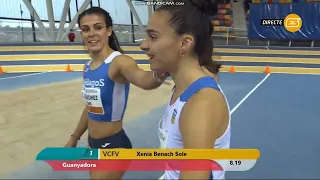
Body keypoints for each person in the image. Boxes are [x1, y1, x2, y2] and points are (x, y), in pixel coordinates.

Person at [64, 7, 169, 180]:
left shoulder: (119, 62)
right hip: (93, 144)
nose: (91, 33)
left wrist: (159, 73)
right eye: (85, 29)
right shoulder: (88, 67)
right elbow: (90, 108)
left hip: (114, 146)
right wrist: (75, 137)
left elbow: (143, 79)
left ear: (109, 31)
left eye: (98, 27)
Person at [140, 0, 231, 179]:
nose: (143, 45)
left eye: (153, 37)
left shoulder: (201, 103)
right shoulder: (184, 89)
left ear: (184, 43)